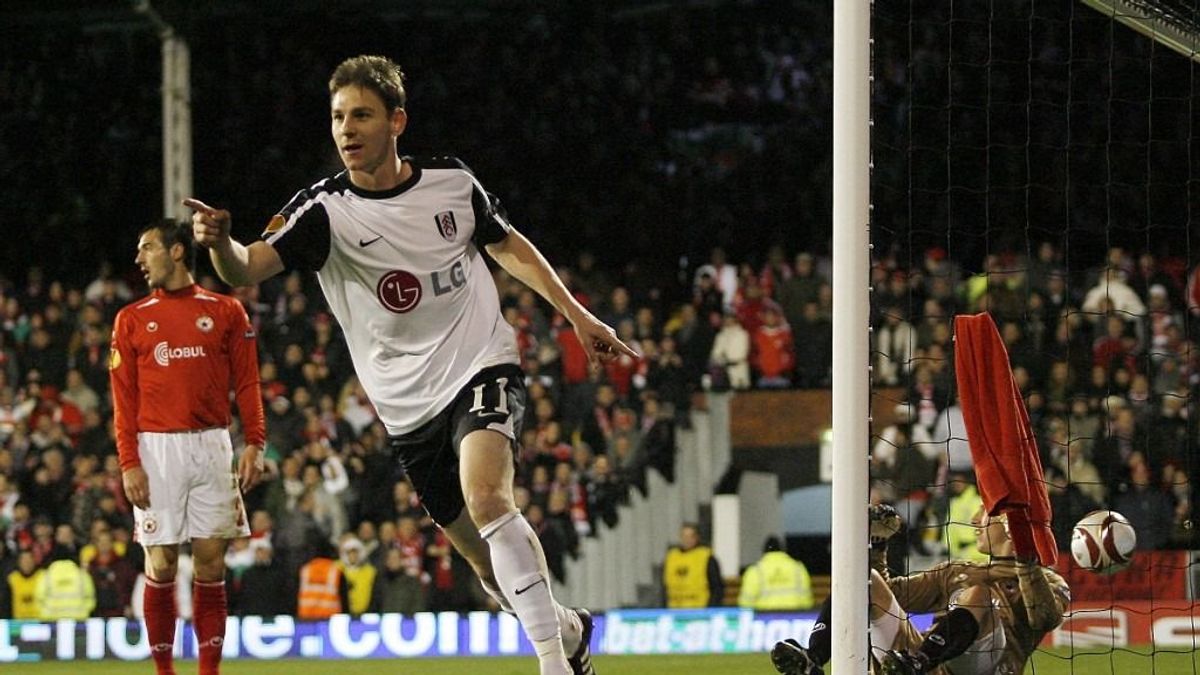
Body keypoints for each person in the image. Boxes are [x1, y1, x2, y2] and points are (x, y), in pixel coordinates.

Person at [186, 54, 631, 675]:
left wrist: (577, 315)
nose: (346, 129)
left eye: (361, 115)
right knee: (487, 568)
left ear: (396, 121)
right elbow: (246, 267)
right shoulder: (324, 211)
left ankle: (555, 665)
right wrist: (221, 244)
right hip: (406, 410)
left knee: (488, 498)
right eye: (338, 117)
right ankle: (570, 630)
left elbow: (509, 246)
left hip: (480, 363)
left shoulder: (451, 183)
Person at [109, 219, 266, 675]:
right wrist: (129, 462)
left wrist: (255, 441)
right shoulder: (130, 318)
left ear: (177, 251)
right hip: (156, 450)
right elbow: (123, 401)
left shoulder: (227, 311)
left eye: (148, 248)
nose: (139, 259)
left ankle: (208, 671)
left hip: (213, 445)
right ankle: (164, 671)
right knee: (160, 564)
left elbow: (248, 382)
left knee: (211, 565)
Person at [771, 504, 1070, 675]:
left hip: (987, 668)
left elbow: (1043, 618)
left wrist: (1026, 559)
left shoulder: (1047, 580)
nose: (974, 520)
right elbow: (890, 594)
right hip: (930, 664)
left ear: (1006, 521)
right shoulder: (956, 570)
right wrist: (878, 546)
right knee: (862, 579)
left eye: (984, 512)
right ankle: (813, 659)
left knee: (979, 594)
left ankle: (917, 662)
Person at [737, 536, 813, 610]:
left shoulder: (755, 571)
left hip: (763, 616)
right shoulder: (798, 568)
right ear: (783, 550)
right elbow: (807, 601)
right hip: (794, 615)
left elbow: (746, 603)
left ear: (764, 551)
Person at [662, 523, 724, 608]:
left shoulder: (706, 557)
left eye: (691, 536)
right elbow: (664, 587)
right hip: (674, 608)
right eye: (684, 536)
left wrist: (710, 609)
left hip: (699, 609)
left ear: (697, 537)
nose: (687, 540)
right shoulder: (671, 557)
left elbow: (717, 587)